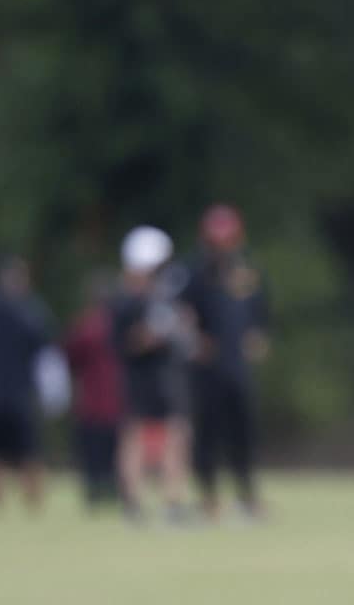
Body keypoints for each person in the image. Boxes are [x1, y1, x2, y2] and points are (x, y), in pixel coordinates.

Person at [183, 203, 270, 520]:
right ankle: (208, 500)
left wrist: (258, 337)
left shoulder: (247, 271)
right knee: (206, 434)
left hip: (237, 367)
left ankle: (247, 497)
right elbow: (182, 314)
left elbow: (260, 312)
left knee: (242, 434)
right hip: (207, 369)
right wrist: (196, 340)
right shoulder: (194, 273)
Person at [112, 226, 194, 524]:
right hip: (140, 375)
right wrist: (154, 334)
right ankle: (133, 502)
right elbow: (125, 341)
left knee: (177, 433)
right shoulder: (126, 300)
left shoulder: (166, 295)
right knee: (134, 435)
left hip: (168, 372)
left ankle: (173, 501)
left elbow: (182, 329)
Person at [0, 256, 54, 512]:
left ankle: (23, 502)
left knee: (9, 452)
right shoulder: (31, 313)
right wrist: (52, 395)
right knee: (18, 451)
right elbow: (46, 358)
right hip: (14, 395)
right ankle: (18, 502)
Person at [63, 273, 124, 511]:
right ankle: (115, 492)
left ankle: (95, 494)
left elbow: (69, 358)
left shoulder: (84, 326)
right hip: (118, 400)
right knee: (115, 453)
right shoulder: (122, 324)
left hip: (91, 402)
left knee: (92, 455)